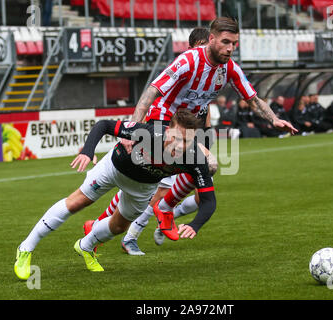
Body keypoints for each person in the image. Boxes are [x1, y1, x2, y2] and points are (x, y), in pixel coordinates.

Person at [86, 17, 297, 254]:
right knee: (157, 178)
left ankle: (111, 225)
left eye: (233, 44)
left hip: (188, 130)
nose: (229, 48)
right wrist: (133, 129)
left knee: (171, 175)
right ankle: (145, 221)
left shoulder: (228, 69)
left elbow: (252, 99)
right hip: (163, 122)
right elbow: (152, 91)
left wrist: (274, 119)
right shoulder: (188, 61)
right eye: (225, 42)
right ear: (210, 40)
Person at [14, 110, 217, 279]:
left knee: (119, 226)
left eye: (186, 141)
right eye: (175, 137)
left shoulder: (195, 159)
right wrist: (87, 150)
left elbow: (209, 200)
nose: (179, 145)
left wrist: (195, 225)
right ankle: (25, 248)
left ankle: (85, 246)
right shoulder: (150, 132)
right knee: (77, 202)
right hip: (113, 168)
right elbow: (104, 125)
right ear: (167, 130)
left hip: (143, 188)